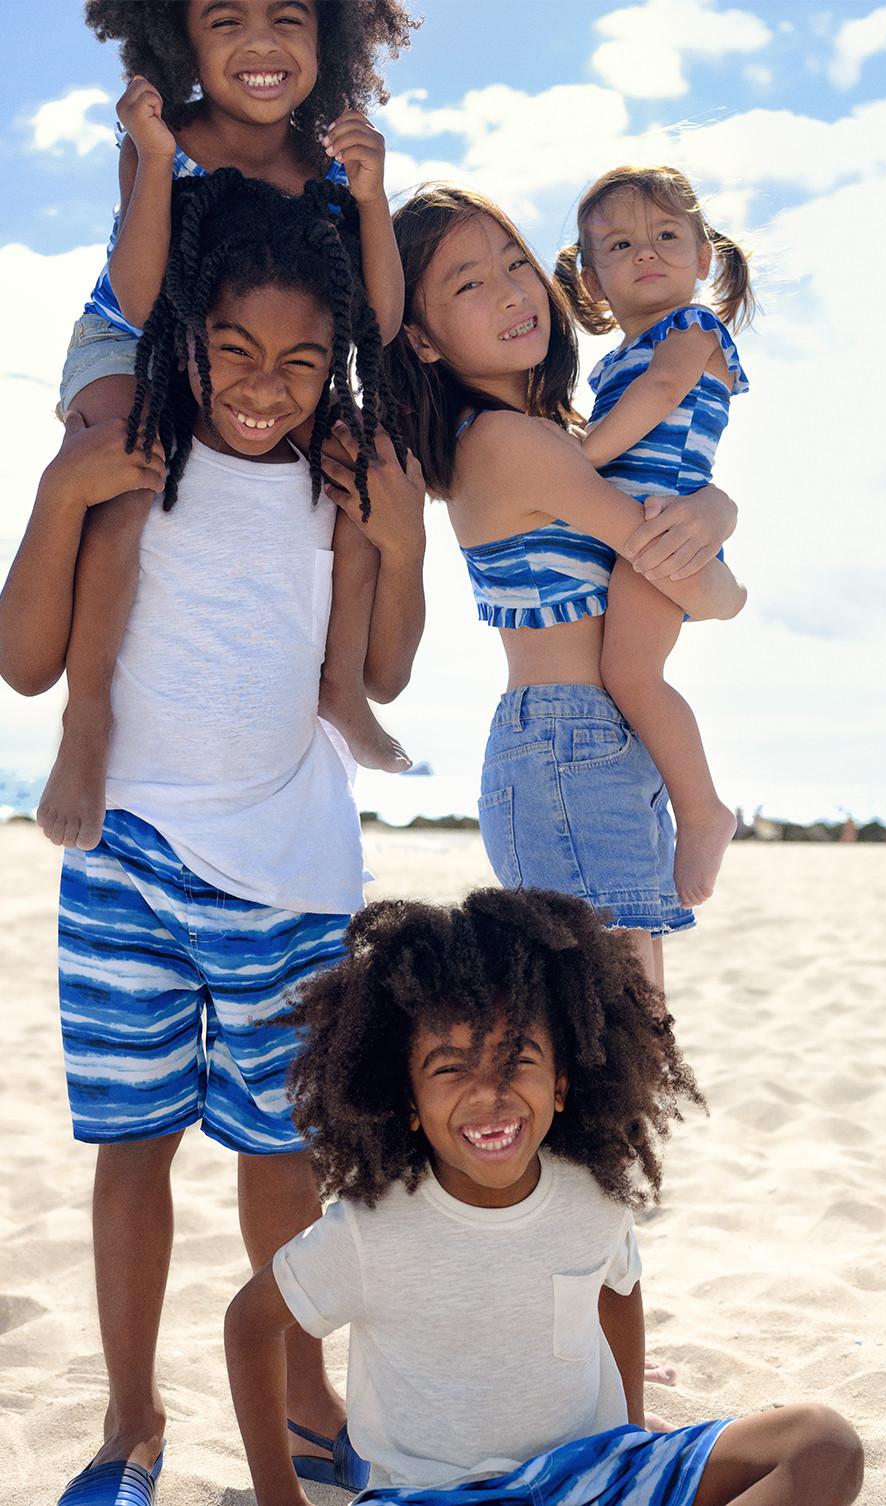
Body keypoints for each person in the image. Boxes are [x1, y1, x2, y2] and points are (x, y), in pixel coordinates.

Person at [0, 170, 425, 1506]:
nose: (265, 383)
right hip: (123, 855)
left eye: (302, 360)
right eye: (234, 349)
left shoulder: (337, 471)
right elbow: (21, 661)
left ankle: (300, 1393)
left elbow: (384, 669)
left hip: (291, 875)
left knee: (278, 1152)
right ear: (183, 336)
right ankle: (131, 1421)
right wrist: (62, 495)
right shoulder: (134, 460)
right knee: (133, 1145)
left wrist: (401, 541)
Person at [226, 887, 864, 1506]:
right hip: (434, 1497)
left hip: (594, 1476)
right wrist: (280, 1495)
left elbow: (618, 1287)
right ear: (409, 1103)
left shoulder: (591, 1193)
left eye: (516, 1059)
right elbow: (249, 1325)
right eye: (449, 1068)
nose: (488, 1091)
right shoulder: (368, 1230)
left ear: (561, 1083)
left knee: (820, 1443)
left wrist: (631, 1432)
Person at [39, 0, 418, 855]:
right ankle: (88, 712)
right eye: (225, 21)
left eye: (288, 20)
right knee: (127, 461)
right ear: (179, 40)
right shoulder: (163, 136)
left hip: (264, 353)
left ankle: (341, 687)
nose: (260, 44)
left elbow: (380, 319)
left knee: (354, 467)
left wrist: (371, 197)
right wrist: (157, 155)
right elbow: (139, 298)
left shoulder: (326, 164)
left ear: (331, 40)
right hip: (133, 339)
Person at [372, 184, 737, 989]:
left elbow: (669, 545)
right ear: (423, 341)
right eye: (468, 283)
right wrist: (718, 518)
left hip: (590, 742)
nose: (510, 293)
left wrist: (714, 507)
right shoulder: (511, 441)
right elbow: (708, 593)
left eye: (516, 265)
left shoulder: (552, 436)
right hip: (569, 748)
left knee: (631, 1040)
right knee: (614, 1040)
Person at [553, 166, 754, 907]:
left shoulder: (693, 328)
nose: (647, 252)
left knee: (633, 676)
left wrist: (582, 456)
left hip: (667, 524)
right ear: (595, 281)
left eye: (667, 236)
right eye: (621, 244)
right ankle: (674, 805)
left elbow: (664, 395)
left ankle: (703, 811)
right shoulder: (612, 362)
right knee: (620, 674)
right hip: (633, 528)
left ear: (704, 257)